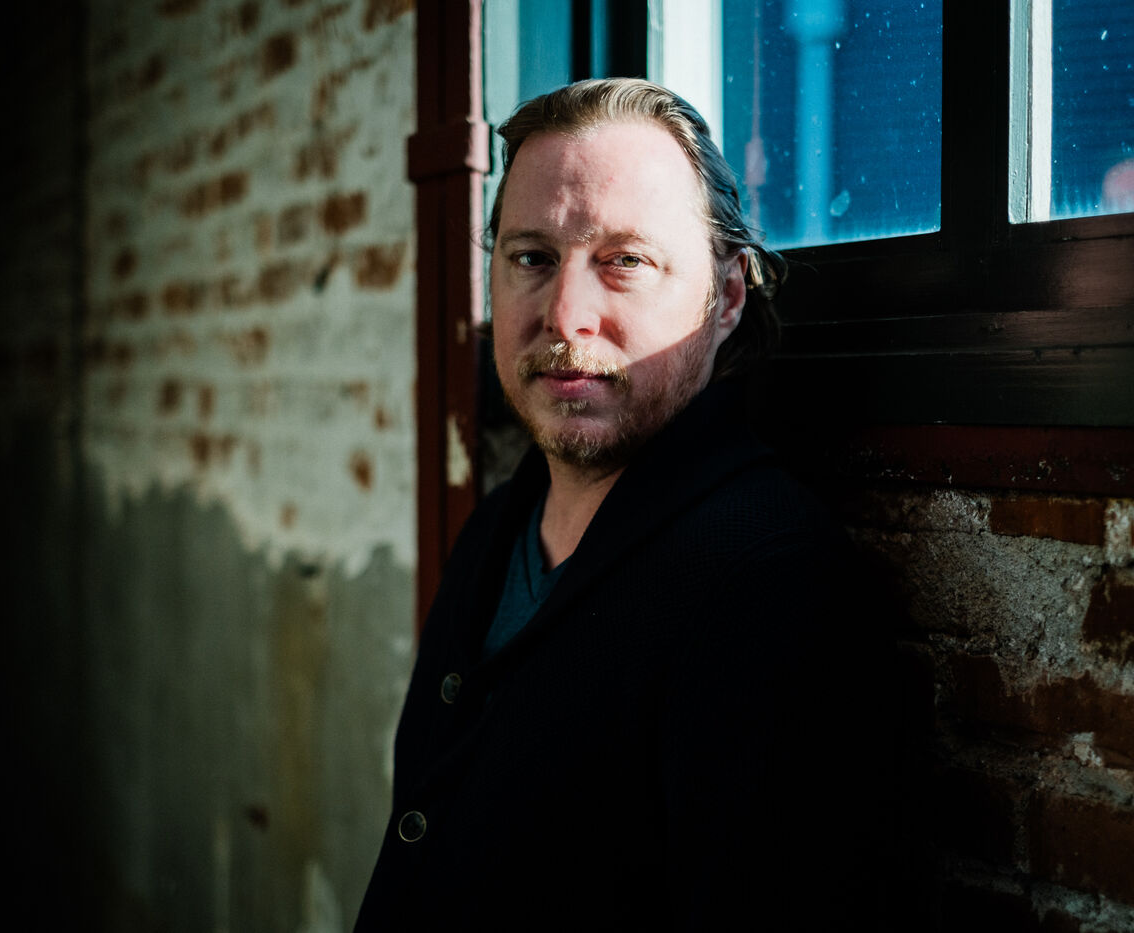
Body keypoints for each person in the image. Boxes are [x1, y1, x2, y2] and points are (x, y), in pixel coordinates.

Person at [356, 78, 891, 931]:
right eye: (532, 258)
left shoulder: (769, 583)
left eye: (625, 261)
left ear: (728, 297)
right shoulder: (496, 528)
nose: (567, 316)